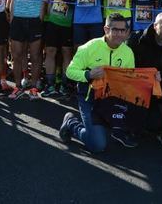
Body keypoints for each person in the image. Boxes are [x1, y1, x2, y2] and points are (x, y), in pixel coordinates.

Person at [59, 13, 137, 152]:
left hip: (111, 99)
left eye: (123, 30)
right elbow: (70, 71)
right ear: (106, 30)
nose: (119, 34)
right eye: (115, 30)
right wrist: (88, 74)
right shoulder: (89, 48)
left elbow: (129, 80)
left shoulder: (128, 52)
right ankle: (71, 123)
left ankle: (111, 127)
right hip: (89, 98)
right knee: (98, 146)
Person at [128, 12, 162, 147]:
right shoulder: (137, 40)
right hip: (138, 87)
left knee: (154, 125)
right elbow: (127, 66)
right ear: (155, 26)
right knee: (137, 125)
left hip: (160, 89)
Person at [40, 0, 79, 97]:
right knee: (50, 52)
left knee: (66, 53)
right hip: (53, 22)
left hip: (68, 25)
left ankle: (64, 85)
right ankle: (50, 85)